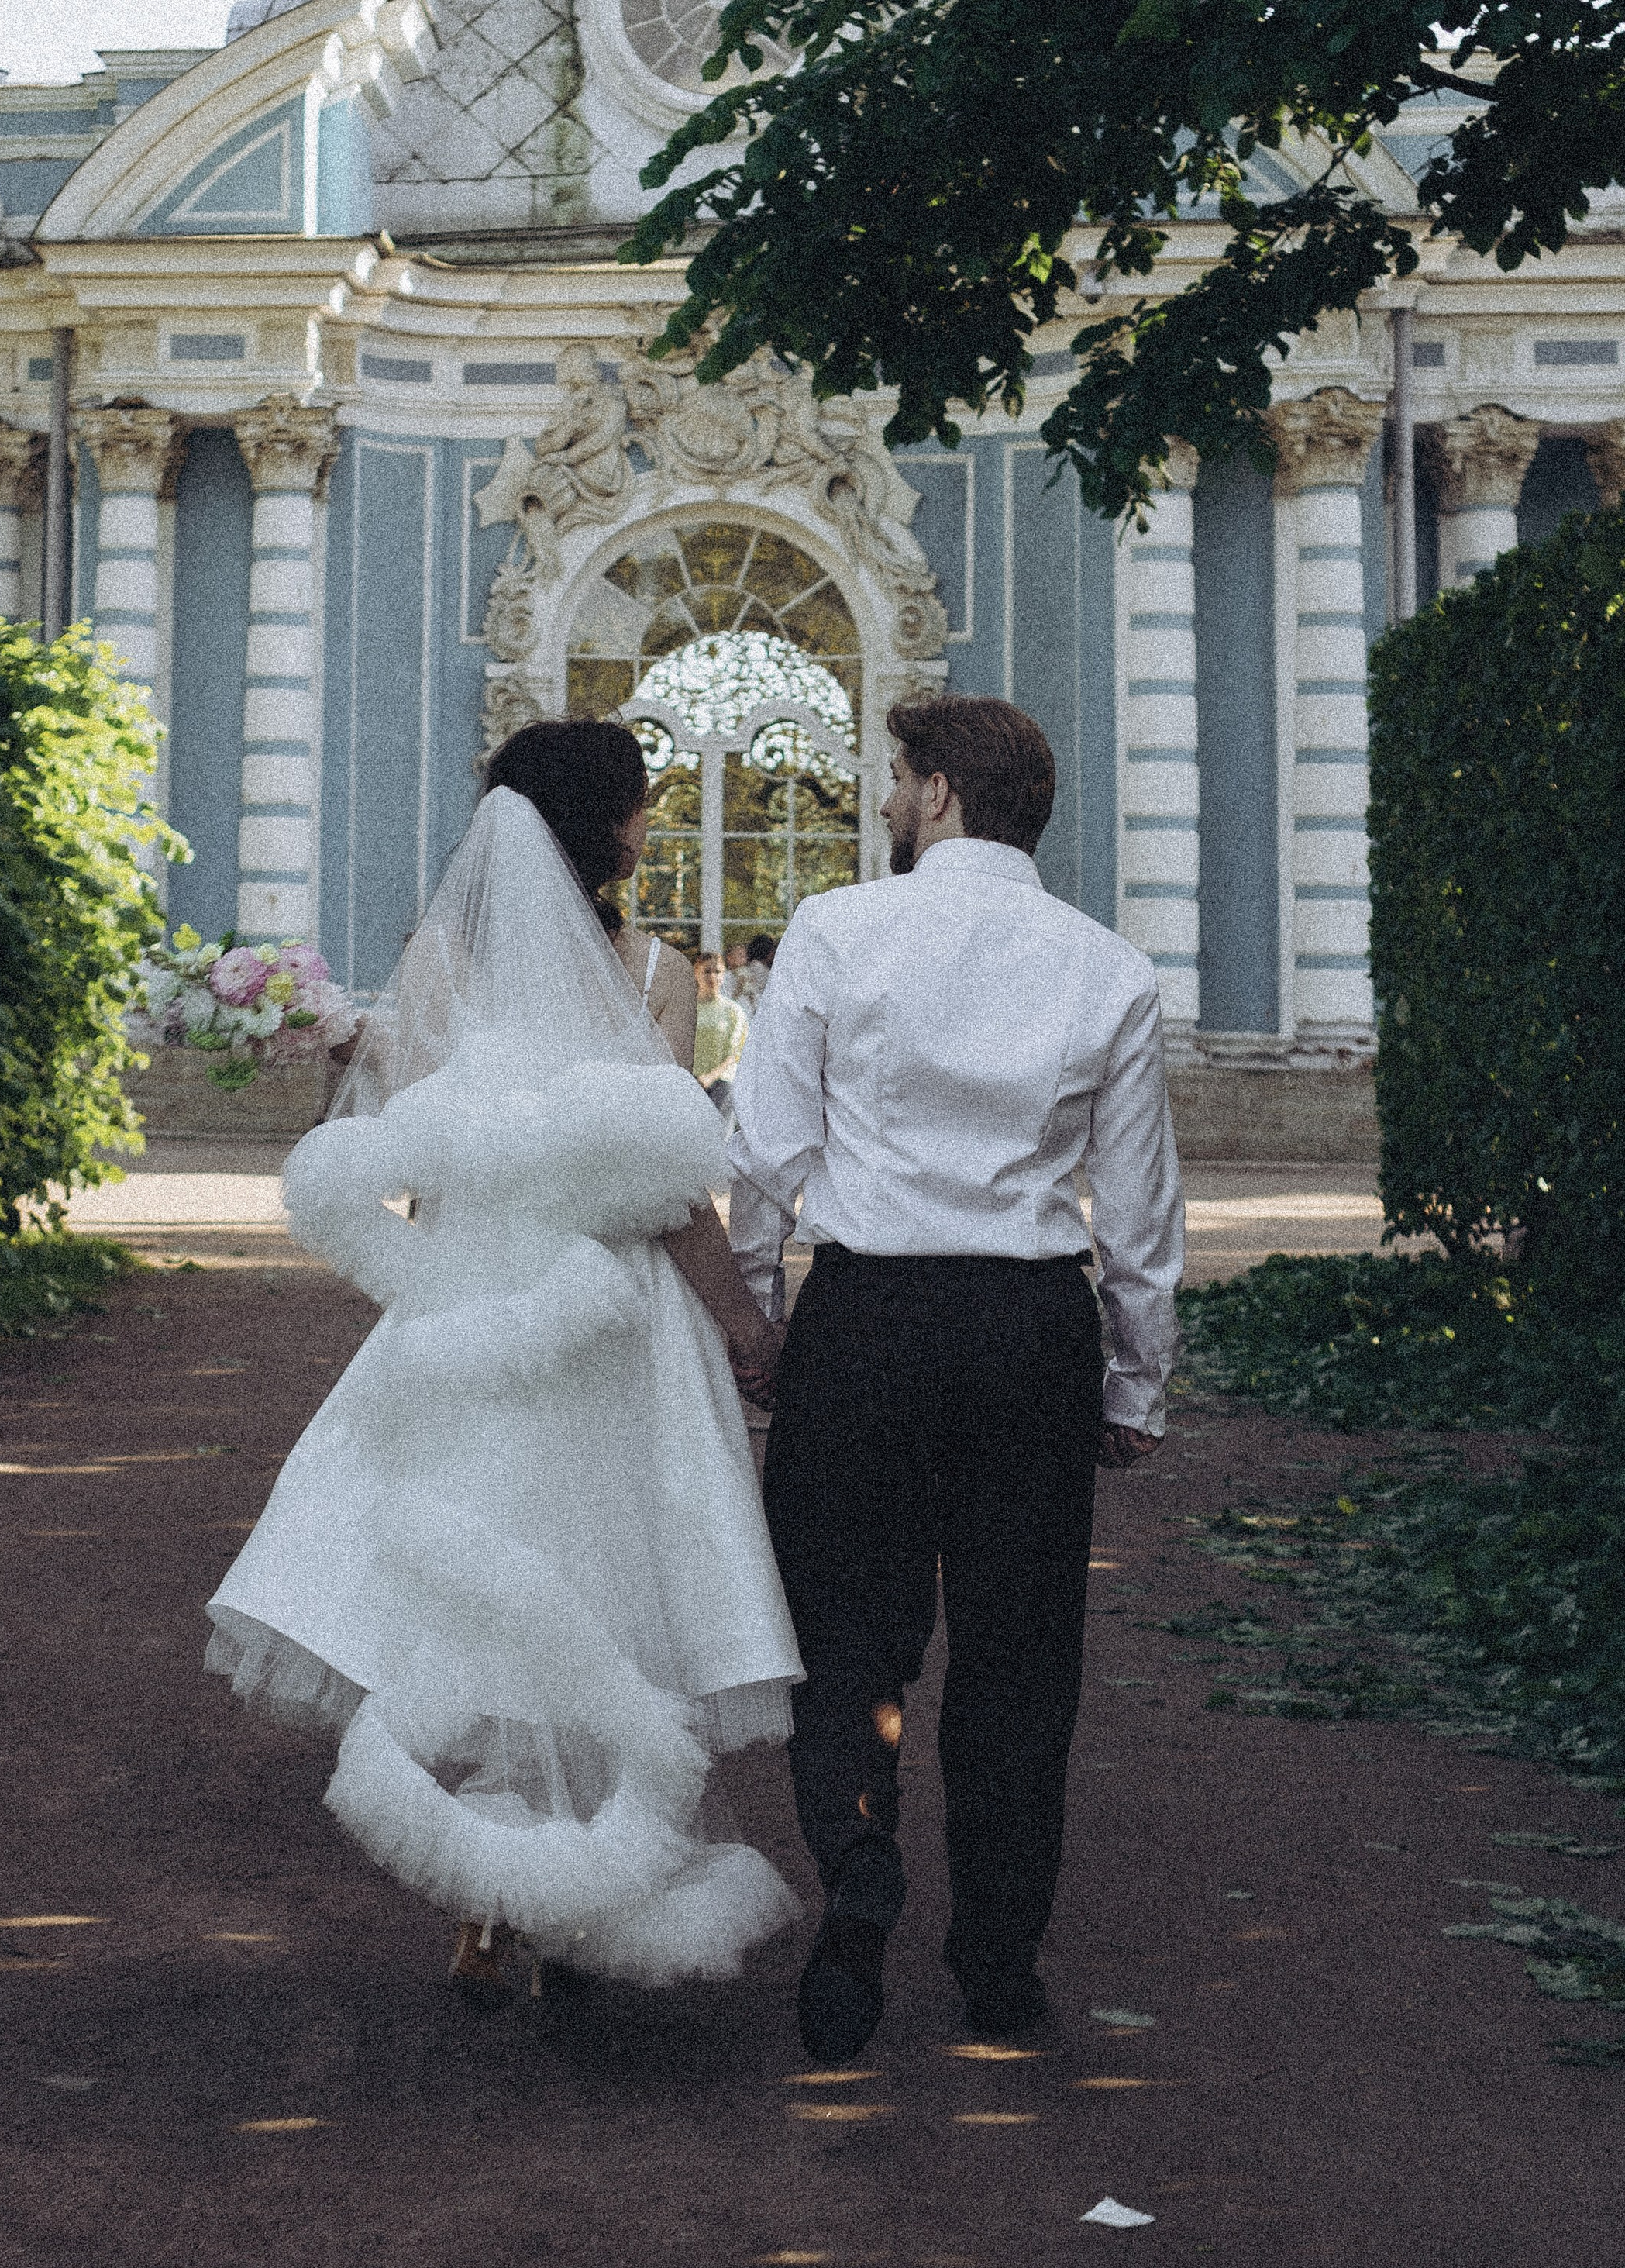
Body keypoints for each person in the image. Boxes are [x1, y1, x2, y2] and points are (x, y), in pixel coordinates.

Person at [205, 719, 800, 2010]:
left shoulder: (437, 964)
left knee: (484, 1582)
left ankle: (491, 1899)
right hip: (614, 1327)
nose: (649, 824)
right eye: (641, 806)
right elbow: (665, 1195)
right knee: (612, 1591)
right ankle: (596, 1878)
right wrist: (752, 1330)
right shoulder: (652, 972)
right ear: (610, 824)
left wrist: (453, 1278)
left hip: (481, 1313)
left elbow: (402, 1159)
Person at [727, 694, 1185, 2065]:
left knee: (844, 1643)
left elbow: (763, 1157)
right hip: (1028, 1331)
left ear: (938, 794)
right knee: (1020, 1659)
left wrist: (761, 1323)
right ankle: (996, 1962)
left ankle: (858, 1892)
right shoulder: (1108, 967)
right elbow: (1143, 1209)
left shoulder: (835, 930)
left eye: (893, 779)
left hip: (866, 1318)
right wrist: (1134, 1387)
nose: (881, 800)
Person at [692, 949, 749, 1114]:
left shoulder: (734, 1012)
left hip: (722, 1084)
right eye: (707, 971)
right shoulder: (687, 1009)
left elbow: (736, 1054)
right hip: (691, 1083)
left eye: (718, 972)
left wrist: (710, 1077)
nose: (712, 977)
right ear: (696, 972)